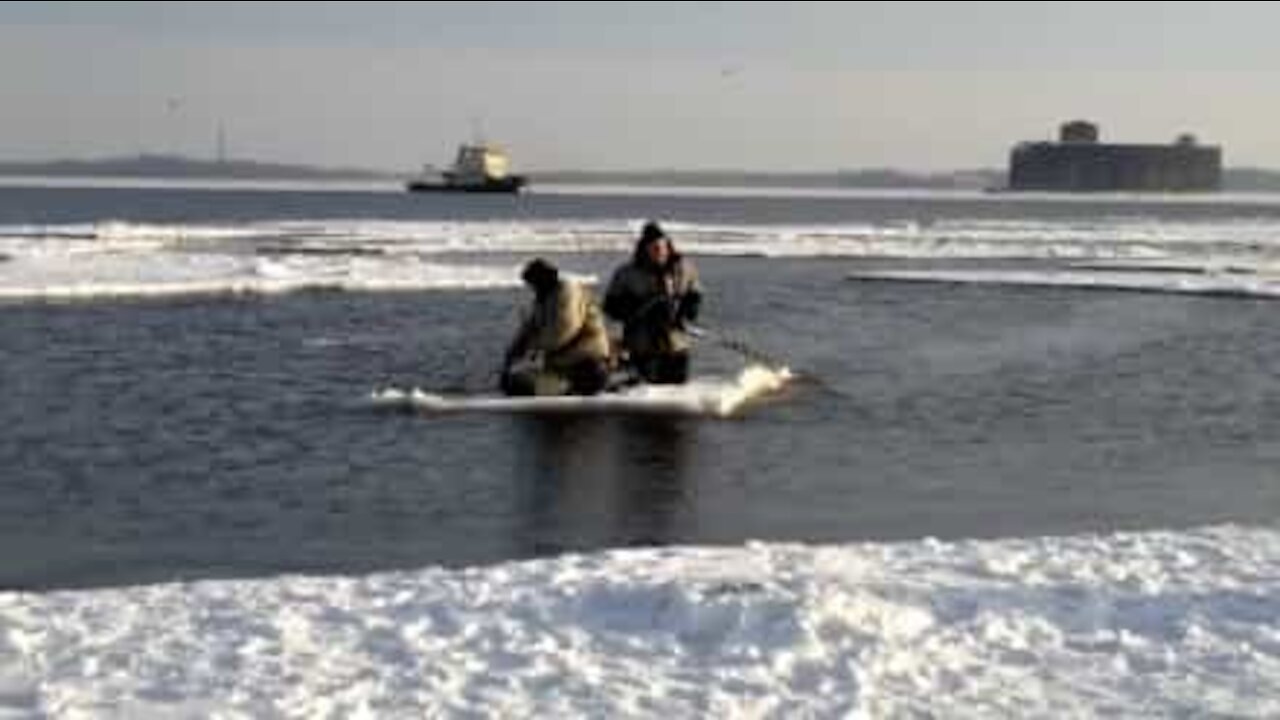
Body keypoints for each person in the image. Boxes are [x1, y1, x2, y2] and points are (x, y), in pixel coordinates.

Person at [603, 220, 703, 384]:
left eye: (661, 247)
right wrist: (634, 307)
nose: (659, 252)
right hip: (642, 344)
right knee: (647, 387)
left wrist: (687, 311)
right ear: (645, 248)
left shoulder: (683, 268)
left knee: (676, 387)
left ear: (667, 246)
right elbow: (610, 306)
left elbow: (695, 292)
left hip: (676, 343)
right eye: (654, 248)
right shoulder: (627, 273)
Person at [501, 258, 612, 396]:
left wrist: (534, 347)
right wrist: (514, 351)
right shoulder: (543, 299)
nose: (532, 288)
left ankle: (572, 387)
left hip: (585, 359)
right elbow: (529, 328)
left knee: (523, 386)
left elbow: (564, 330)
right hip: (562, 361)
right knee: (514, 382)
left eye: (533, 283)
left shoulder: (567, 291)